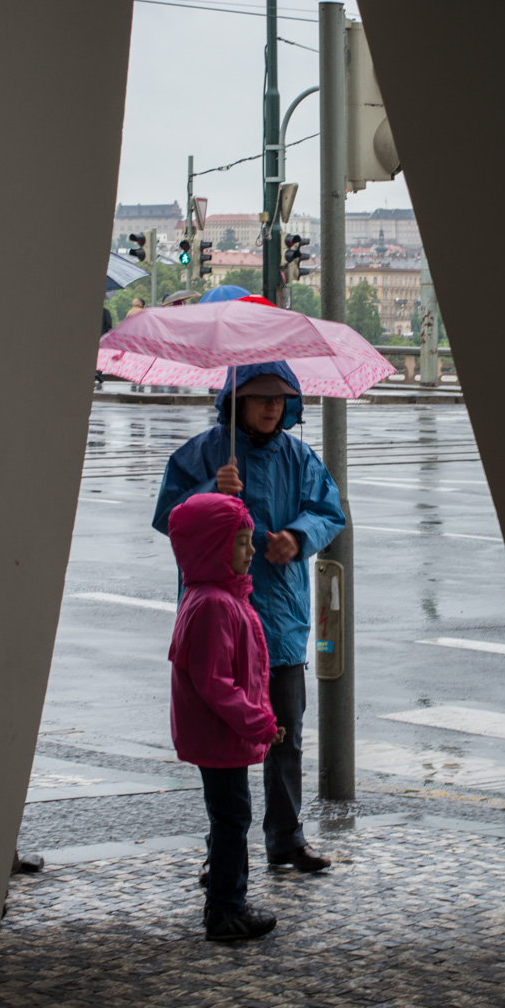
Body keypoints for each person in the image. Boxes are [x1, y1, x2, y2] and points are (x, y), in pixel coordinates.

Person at [154, 361, 345, 874]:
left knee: (284, 730)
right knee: (224, 743)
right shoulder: (203, 452)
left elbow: (330, 511)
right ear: (237, 400)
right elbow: (169, 518)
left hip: (278, 619)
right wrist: (210, 493)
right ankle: (224, 854)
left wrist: (298, 535)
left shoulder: (300, 456)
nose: (270, 407)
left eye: (279, 399)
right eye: (260, 398)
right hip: (221, 622)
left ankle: (286, 836)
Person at [167, 492, 282, 941]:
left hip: (221, 735)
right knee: (233, 819)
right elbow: (216, 683)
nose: (251, 550)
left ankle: (223, 895)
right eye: (240, 542)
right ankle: (226, 909)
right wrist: (259, 722)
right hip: (222, 736)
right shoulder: (213, 603)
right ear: (213, 547)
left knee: (228, 816)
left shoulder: (215, 596)